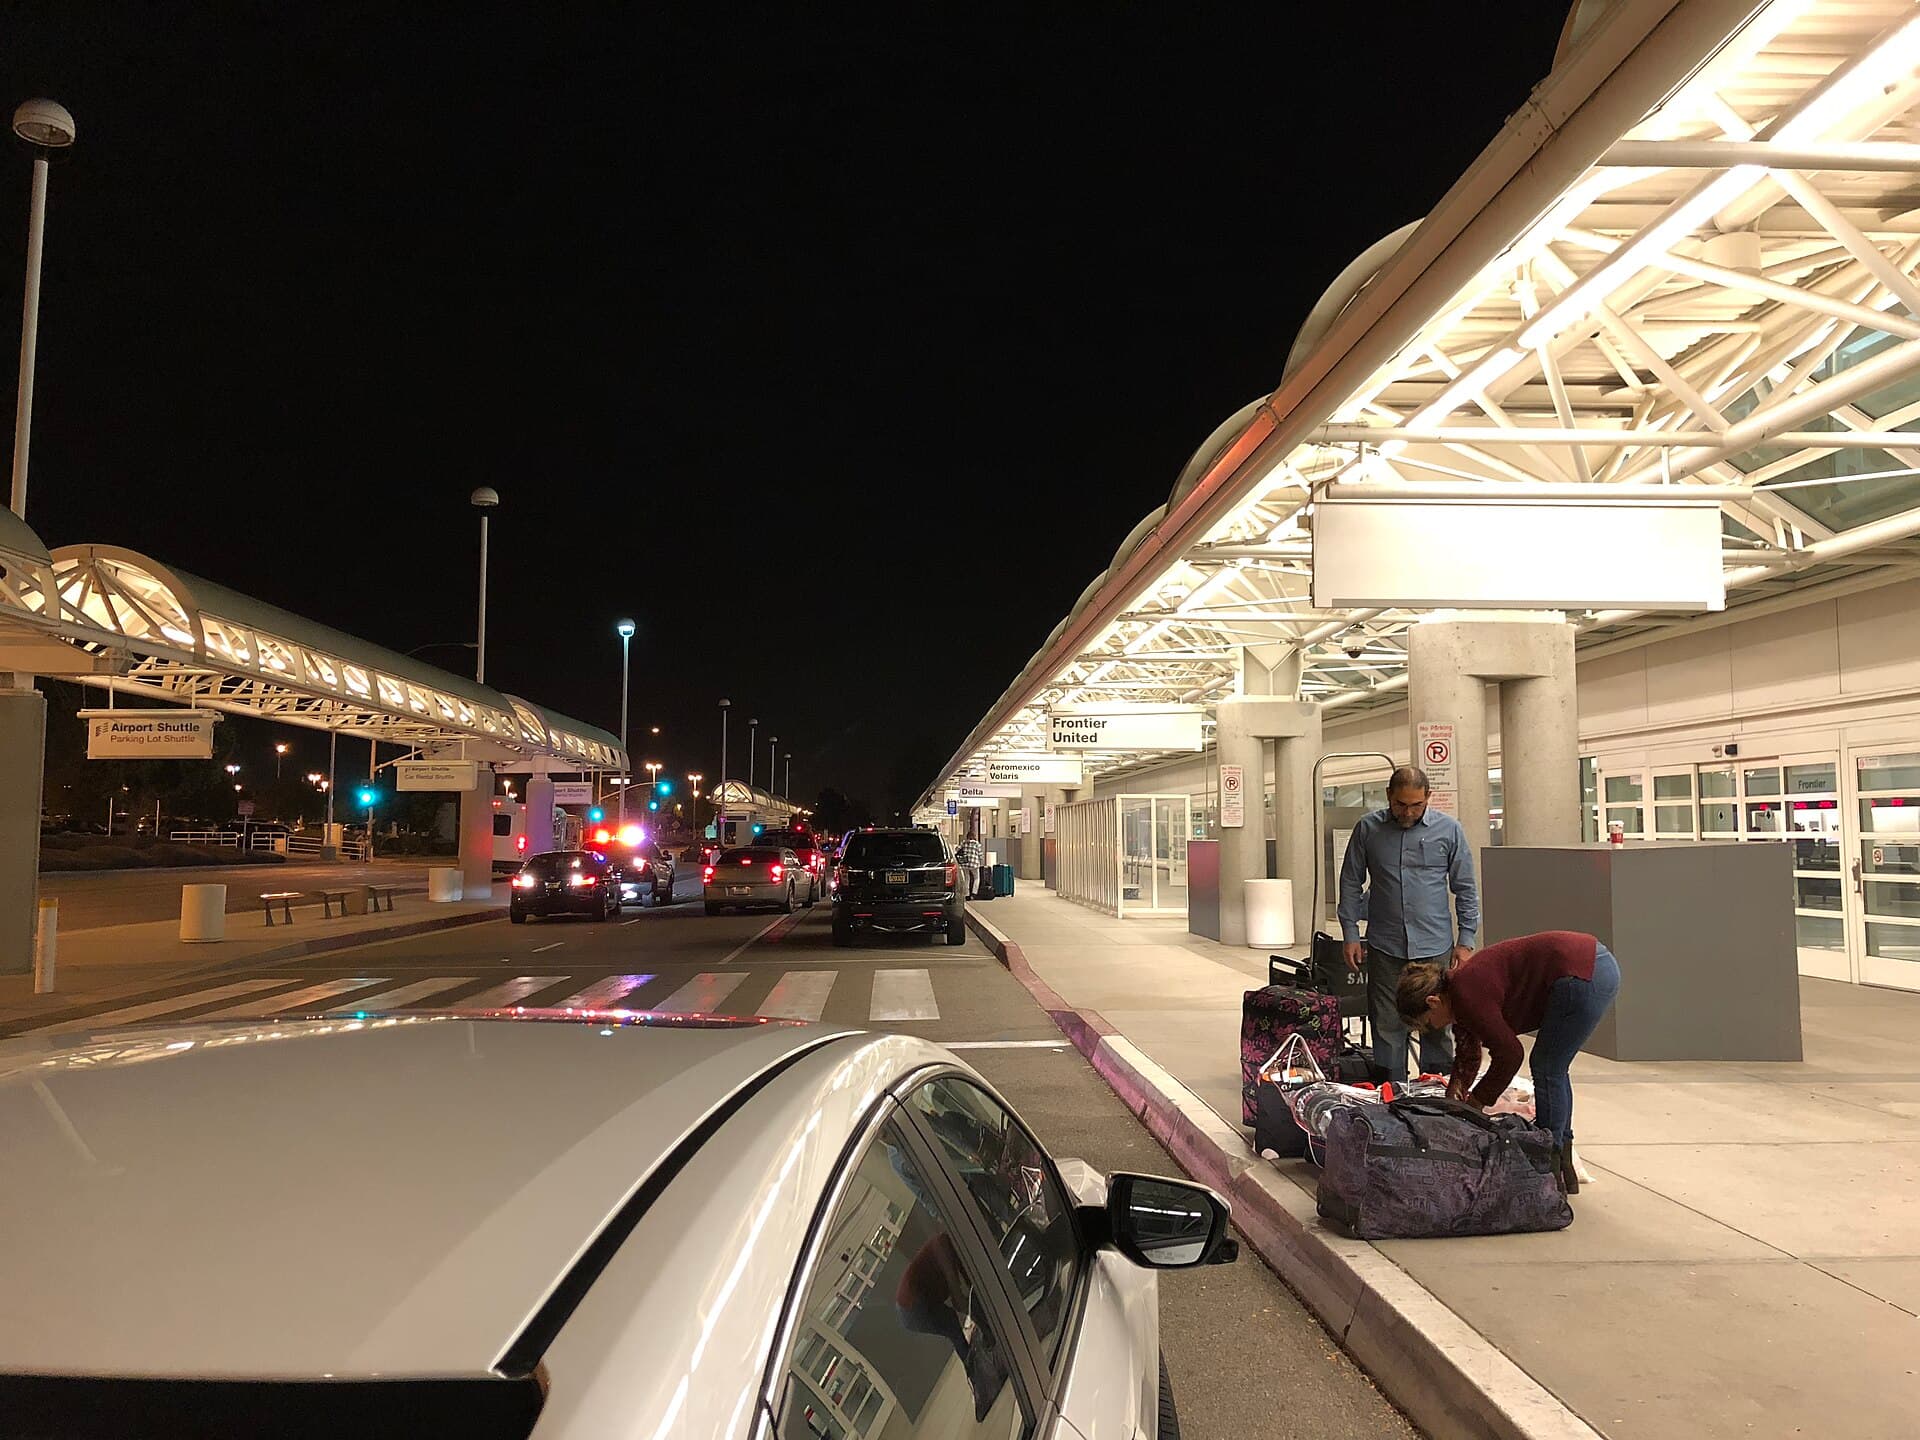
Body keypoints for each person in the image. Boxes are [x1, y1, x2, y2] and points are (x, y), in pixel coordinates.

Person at [1395, 929, 1621, 1193]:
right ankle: (1563, 1167)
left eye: (1426, 1022)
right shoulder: (1458, 990)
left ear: (1433, 1001)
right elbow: (1468, 1054)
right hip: (1591, 965)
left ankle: (1548, 1167)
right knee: (1554, 1068)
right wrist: (1455, 1095)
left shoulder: (1467, 993)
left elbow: (1510, 1055)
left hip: (1581, 974)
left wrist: (1477, 1102)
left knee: (1547, 1067)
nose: (1433, 1028)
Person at [1337, 766, 1479, 1084]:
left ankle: (1436, 1093)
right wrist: (1350, 933)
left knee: (1436, 1023)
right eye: (1401, 804)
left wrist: (1466, 939)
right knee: (1386, 1023)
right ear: (1388, 796)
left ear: (1428, 797)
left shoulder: (1449, 830)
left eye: (1417, 805)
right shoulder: (1368, 829)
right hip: (1385, 946)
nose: (1409, 812)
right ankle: (1391, 1093)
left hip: (1434, 946)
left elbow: (1466, 887)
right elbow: (1350, 882)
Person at [956, 829, 985, 900]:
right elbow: (980, 854)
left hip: (965, 863)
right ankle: (974, 894)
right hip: (974, 864)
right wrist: (981, 861)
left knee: (967, 879)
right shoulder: (977, 844)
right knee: (976, 878)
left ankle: (967, 895)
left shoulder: (964, 842)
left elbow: (956, 849)